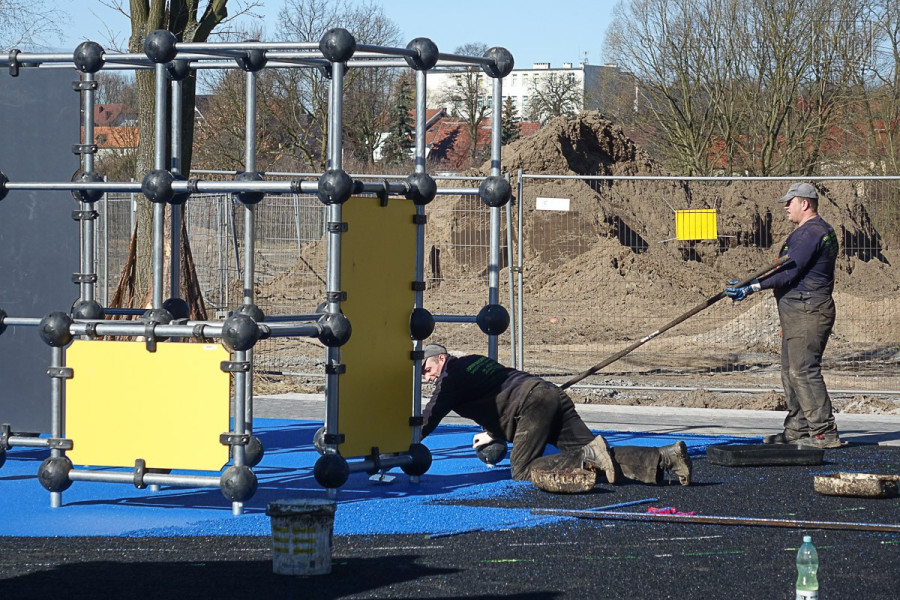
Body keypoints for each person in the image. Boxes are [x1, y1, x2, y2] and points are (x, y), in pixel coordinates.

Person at [419, 344, 692, 490]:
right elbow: (496, 393)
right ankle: (665, 457)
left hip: (530, 407)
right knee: (603, 458)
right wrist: (493, 431)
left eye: (428, 369)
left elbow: (431, 414)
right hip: (548, 393)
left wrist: (407, 438)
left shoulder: (450, 377)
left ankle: (586, 457)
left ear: (441, 358)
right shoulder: (474, 360)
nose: (427, 377)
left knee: (523, 470)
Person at [725, 182, 840, 449]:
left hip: (807, 310)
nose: (786, 207)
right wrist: (751, 284)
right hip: (799, 310)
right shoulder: (815, 231)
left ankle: (824, 433)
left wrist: (752, 286)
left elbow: (789, 270)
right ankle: (798, 430)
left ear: (806, 204)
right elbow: (786, 268)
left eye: (791, 201)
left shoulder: (811, 232)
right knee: (790, 372)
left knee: (803, 371)